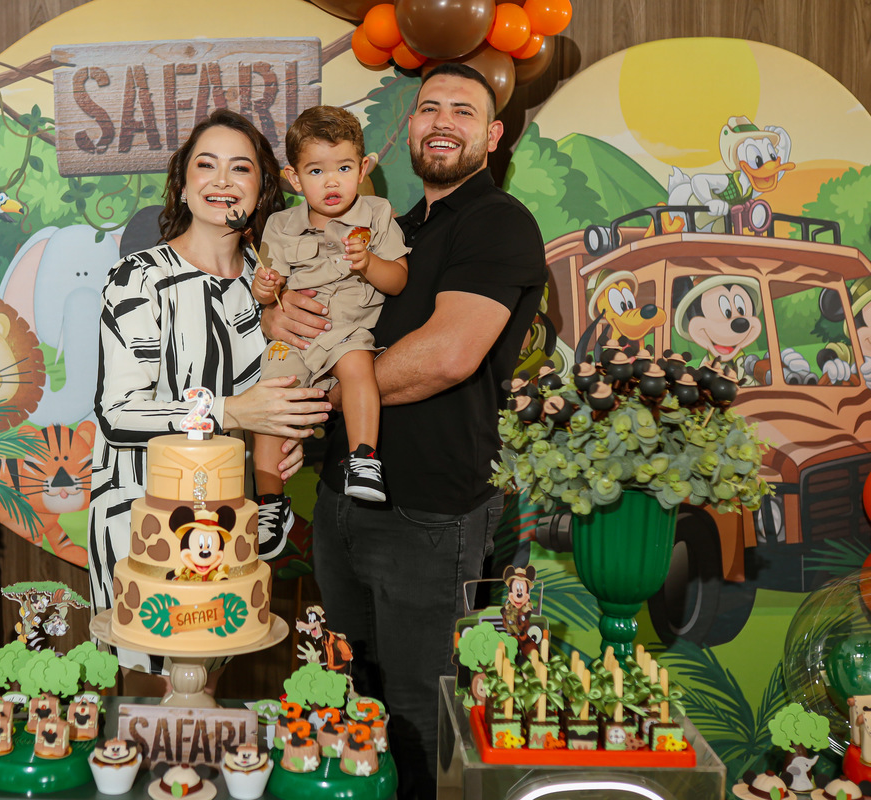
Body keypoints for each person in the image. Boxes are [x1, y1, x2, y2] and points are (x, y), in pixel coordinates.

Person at [263, 64, 548, 799]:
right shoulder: (394, 225)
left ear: (493, 134)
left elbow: (448, 356)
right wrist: (277, 315)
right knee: (351, 696)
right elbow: (326, 312)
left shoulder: (496, 221)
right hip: (341, 499)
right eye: (429, 108)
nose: (443, 120)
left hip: (428, 510)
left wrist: (328, 397)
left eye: (464, 110)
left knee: (421, 713)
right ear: (409, 129)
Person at [88, 109, 331, 682]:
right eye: (206, 165)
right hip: (142, 516)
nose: (222, 180)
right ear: (182, 183)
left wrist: (284, 436)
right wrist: (231, 411)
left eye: (240, 168)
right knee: (152, 695)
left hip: (230, 520)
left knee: (210, 689)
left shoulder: (269, 286)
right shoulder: (139, 278)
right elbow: (118, 415)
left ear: (263, 188)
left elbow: (279, 388)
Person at [250, 106, 409, 540]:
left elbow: (398, 280)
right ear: (294, 178)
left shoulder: (377, 214)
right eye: (317, 171)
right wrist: (265, 288)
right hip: (298, 338)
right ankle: (269, 502)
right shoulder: (281, 225)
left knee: (358, 366)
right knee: (270, 400)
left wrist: (369, 263)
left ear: (363, 168)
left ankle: (364, 459)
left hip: (348, 332)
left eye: (343, 167)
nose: (332, 181)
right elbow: (267, 292)